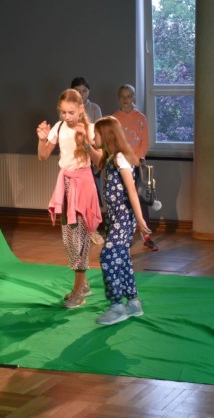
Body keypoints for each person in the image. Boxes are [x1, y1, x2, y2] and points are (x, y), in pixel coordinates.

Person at [37, 89, 103, 308]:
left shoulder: (90, 129)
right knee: (69, 238)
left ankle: (78, 292)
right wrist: (42, 139)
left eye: (71, 112)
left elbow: (100, 161)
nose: (66, 116)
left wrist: (86, 144)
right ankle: (83, 284)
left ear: (81, 109)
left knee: (78, 239)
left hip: (83, 185)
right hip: (65, 185)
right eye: (63, 112)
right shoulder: (59, 127)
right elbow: (43, 155)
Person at [92, 116, 152, 326]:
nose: (93, 137)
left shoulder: (120, 158)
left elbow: (132, 191)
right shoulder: (109, 158)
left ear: (106, 135)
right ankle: (133, 302)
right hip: (114, 218)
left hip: (123, 217)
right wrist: (86, 145)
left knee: (108, 256)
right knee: (122, 257)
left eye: (96, 134)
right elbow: (96, 159)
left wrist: (140, 219)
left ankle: (117, 305)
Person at [111, 84, 158, 251]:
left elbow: (144, 142)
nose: (126, 100)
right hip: (120, 166)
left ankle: (146, 236)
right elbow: (113, 143)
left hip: (137, 165)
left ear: (133, 98)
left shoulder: (140, 118)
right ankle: (125, 237)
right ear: (119, 99)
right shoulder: (114, 119)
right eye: (122, 97)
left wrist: (136, 160)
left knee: (141, 201)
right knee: (123, 201)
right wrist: (120, 160)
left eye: (129, 96)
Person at [71, 77, 104, 207]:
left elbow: (99, 132)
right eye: (77, 91)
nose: (81, 94)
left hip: (91, 153)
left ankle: (92, 217)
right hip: (74, 155)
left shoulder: (94, 108)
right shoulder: (68, 109)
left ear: (88, 91)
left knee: (92, 191)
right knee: (74, 193)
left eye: (84, 91)